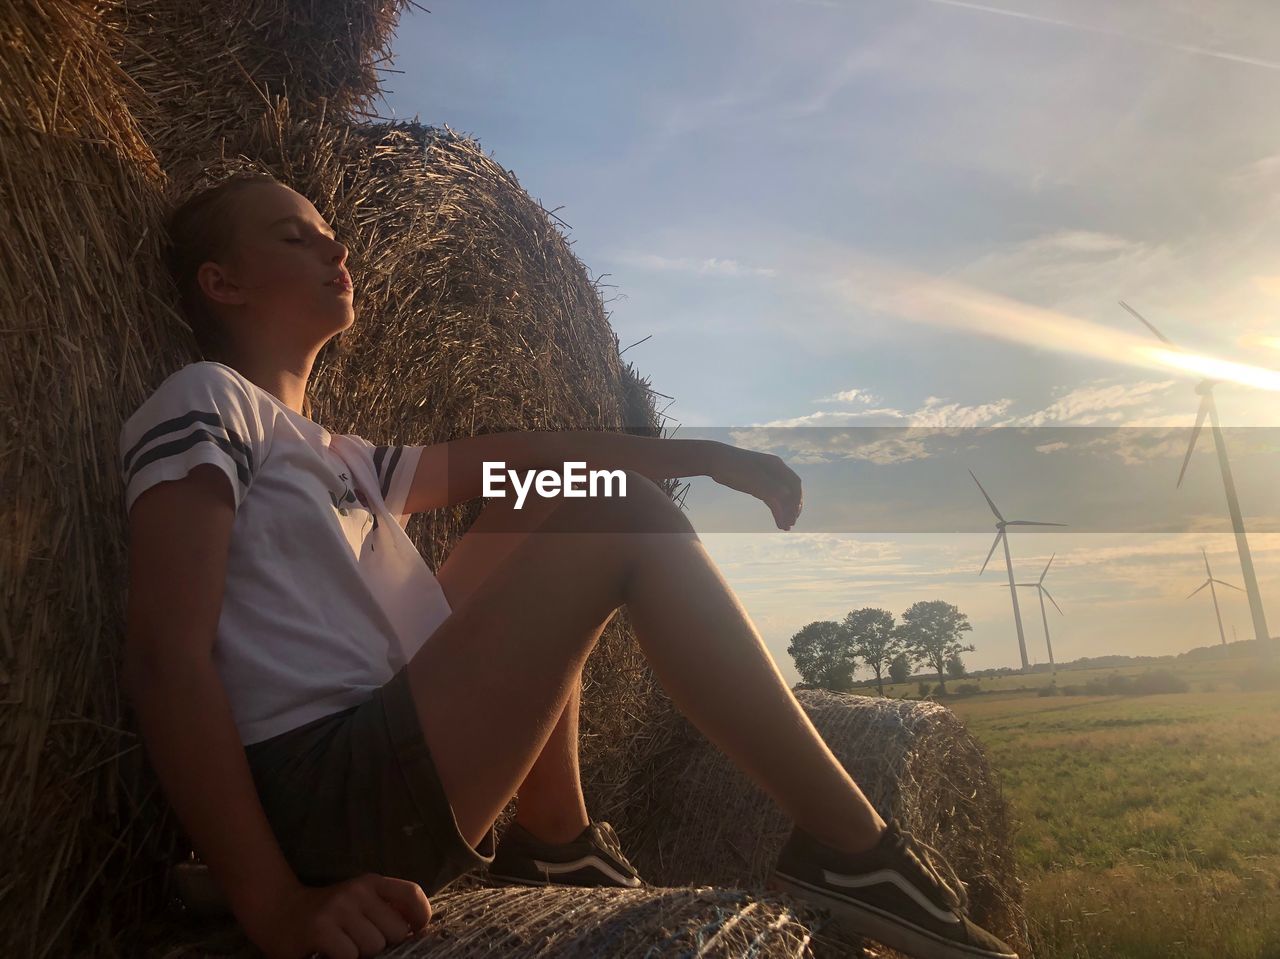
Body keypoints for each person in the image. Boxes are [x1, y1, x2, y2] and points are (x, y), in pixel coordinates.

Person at [119, 173, 1018, 959]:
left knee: (541, 502)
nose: (334, 244)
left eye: (329, 230)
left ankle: (557, 833)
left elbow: (526, 456)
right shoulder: (207, 401)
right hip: (324, 790)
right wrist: (274, 905)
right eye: (294, 235)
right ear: (221, 282)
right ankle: (855, 851)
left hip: (373, 756)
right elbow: (167, 658)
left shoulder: (344, 457)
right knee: (618, 521)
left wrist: (702, 455)